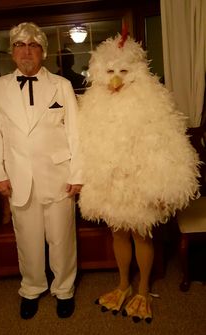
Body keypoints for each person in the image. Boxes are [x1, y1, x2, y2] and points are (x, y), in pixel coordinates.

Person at [78, 33, 200, 323]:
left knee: (141, 234)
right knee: (118, 233)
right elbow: (84, 142)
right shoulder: (93, 102)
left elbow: (170, 144)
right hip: (111, 182)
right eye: (110, 71)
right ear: (98, 71)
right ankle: (123, 285)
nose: (117, 78)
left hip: (141, 182)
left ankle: (143, 290)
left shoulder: (152, 99)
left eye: (124, 71)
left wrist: (163, 185)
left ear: (136, 70)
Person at [0, 22, 82, 320]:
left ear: (43, 52)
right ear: (12, 52)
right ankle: (32, 288)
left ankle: (64, 289)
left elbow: (76, 134)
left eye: (33, 45)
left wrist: (77, 175)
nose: (27, 51)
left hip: (59, 175)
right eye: (20, 45)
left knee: (62, 238)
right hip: (18, 178)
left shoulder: (61, 86)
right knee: (27, 239)